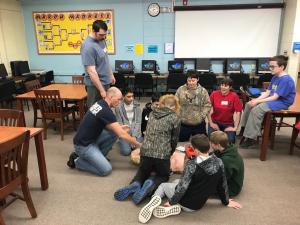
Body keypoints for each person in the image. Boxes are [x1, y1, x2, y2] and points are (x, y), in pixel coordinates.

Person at [138, 134, 242, 224]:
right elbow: (222, 184)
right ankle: (178, 206)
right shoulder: (219, 162)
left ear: (196, 151)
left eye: (192, 148)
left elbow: (182, 188)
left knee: (163, 186)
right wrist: (226, 201)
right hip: (198, 205)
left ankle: (154, 202)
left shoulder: (191, 165)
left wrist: (171, 202)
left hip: (186, 202)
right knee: (176, 181)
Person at [114, 94, 181, 205]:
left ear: (162, 104)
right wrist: (171, 152)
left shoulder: (151, 113)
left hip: (145, 151)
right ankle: (150, 184)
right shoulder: (175, 117)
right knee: (163, 175)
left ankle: (135, 184)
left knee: (143, 171)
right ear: (174, 107)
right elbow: (174, 139)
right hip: (162, 154)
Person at [67, 87, 141, 176]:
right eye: (118, 99)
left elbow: (106, 125)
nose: (120, 102)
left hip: (89, 140)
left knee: (115, 132)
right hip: (83, 146)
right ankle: (77, 161)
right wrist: (138, 144)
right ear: (110, 97)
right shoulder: (106, 111)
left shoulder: (100, 103)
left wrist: (119, 127)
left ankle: (98, 157)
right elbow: (122, 134)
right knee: (106, 169)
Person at [240, 55, 296, 148]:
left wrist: (258, 102)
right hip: (274, 99)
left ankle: (251, 138)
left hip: (282, 102)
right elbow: (268, 92)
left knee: (257, 109)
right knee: (249, 104)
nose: (270, 68)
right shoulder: (275, 77)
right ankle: (244, 129)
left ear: (282, 67)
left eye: (273, 66)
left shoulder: (286, 79)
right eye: (270, 66)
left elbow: (275, 97)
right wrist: (256, 100)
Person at [80, 20, 115, 107]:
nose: (104, 37)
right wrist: (102, 90)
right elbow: (91, 72)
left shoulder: (102, 40)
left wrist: (111, 74)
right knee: (94, 109)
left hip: (105, 82)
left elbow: (105, 59)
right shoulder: (87, 47)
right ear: (93, 31)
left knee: (105, 107)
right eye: (101, 35)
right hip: (95, 86)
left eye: (105, 34)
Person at [175, 72, 211, 141]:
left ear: (197, 79)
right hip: (184, 122)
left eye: (193, 80)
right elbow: (175, 102)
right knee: (180, 140)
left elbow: (207, 104)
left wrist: (202, 115)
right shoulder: (181, 89)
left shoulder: (203, 91)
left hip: (198, 122)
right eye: (189, 81)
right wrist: (178, 115)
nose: (191, 83)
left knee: (201, 141)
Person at [208, 78, 243, 144]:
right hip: (215, 121)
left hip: (228, 123)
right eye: (222, 85)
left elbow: (238, 112)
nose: (223, 87)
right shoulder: (214, 94)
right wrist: (211, 123)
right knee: (212, 138)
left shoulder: (234, 96)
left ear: (230, 87)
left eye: (226, 86)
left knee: (230, 141)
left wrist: (235, 127)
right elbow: (207, 109)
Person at [210, 131, 244, 197]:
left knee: (202, 188)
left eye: (211, 143)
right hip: (229, 179)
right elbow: (215, 154)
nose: (210, 144)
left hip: (232, 188)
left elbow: (222, 179)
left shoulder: (226, 161)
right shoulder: (227, 147)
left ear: (218, 145)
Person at [115, 88, 142, 156]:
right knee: (126, 152)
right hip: (125, 134)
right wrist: (129, 139)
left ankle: (133, 142)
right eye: (129, 96)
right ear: (123, 97)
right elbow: (120, 124)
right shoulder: (118, 107)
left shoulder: (137, 106)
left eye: (132, 96)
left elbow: (138, 122)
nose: (131, 98)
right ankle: (123, 142)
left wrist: (134, 137)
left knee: (139, 149)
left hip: (135, 134)